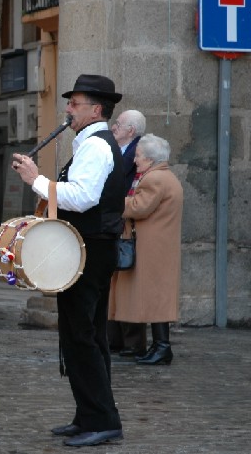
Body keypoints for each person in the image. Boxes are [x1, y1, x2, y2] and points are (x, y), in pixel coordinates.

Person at [11, 74, 125, 447]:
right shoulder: (91, 143)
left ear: (96, 109)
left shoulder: (97, 147)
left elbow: (83, 197)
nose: (68, 109)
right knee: (84, 334)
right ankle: (88, 415)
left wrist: (36, 180)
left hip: (90, 250)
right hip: (89, 248)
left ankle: (103, 419)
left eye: (74, 104)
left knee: (81, 336)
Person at [109, 134, 183, 366]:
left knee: (155, 298)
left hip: (153, 247)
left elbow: (139, 207)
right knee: (156, 298)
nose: (135, 160)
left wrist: (111, 201)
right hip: (158, 245)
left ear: (150, 159)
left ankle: (162, 347)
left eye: (139, 156)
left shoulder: (155, 179)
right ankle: (159, 346)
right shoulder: (163, 176)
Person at [107, 109, 147, 357]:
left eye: (118, 124)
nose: (113, 127)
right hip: (115, 224)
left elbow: (135, 198)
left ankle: (130, 341)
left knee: (127, 285)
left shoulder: (137, 153)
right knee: (114, 285)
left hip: (125, 228)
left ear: (131, 130)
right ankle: (114, 338)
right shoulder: (119, 149)